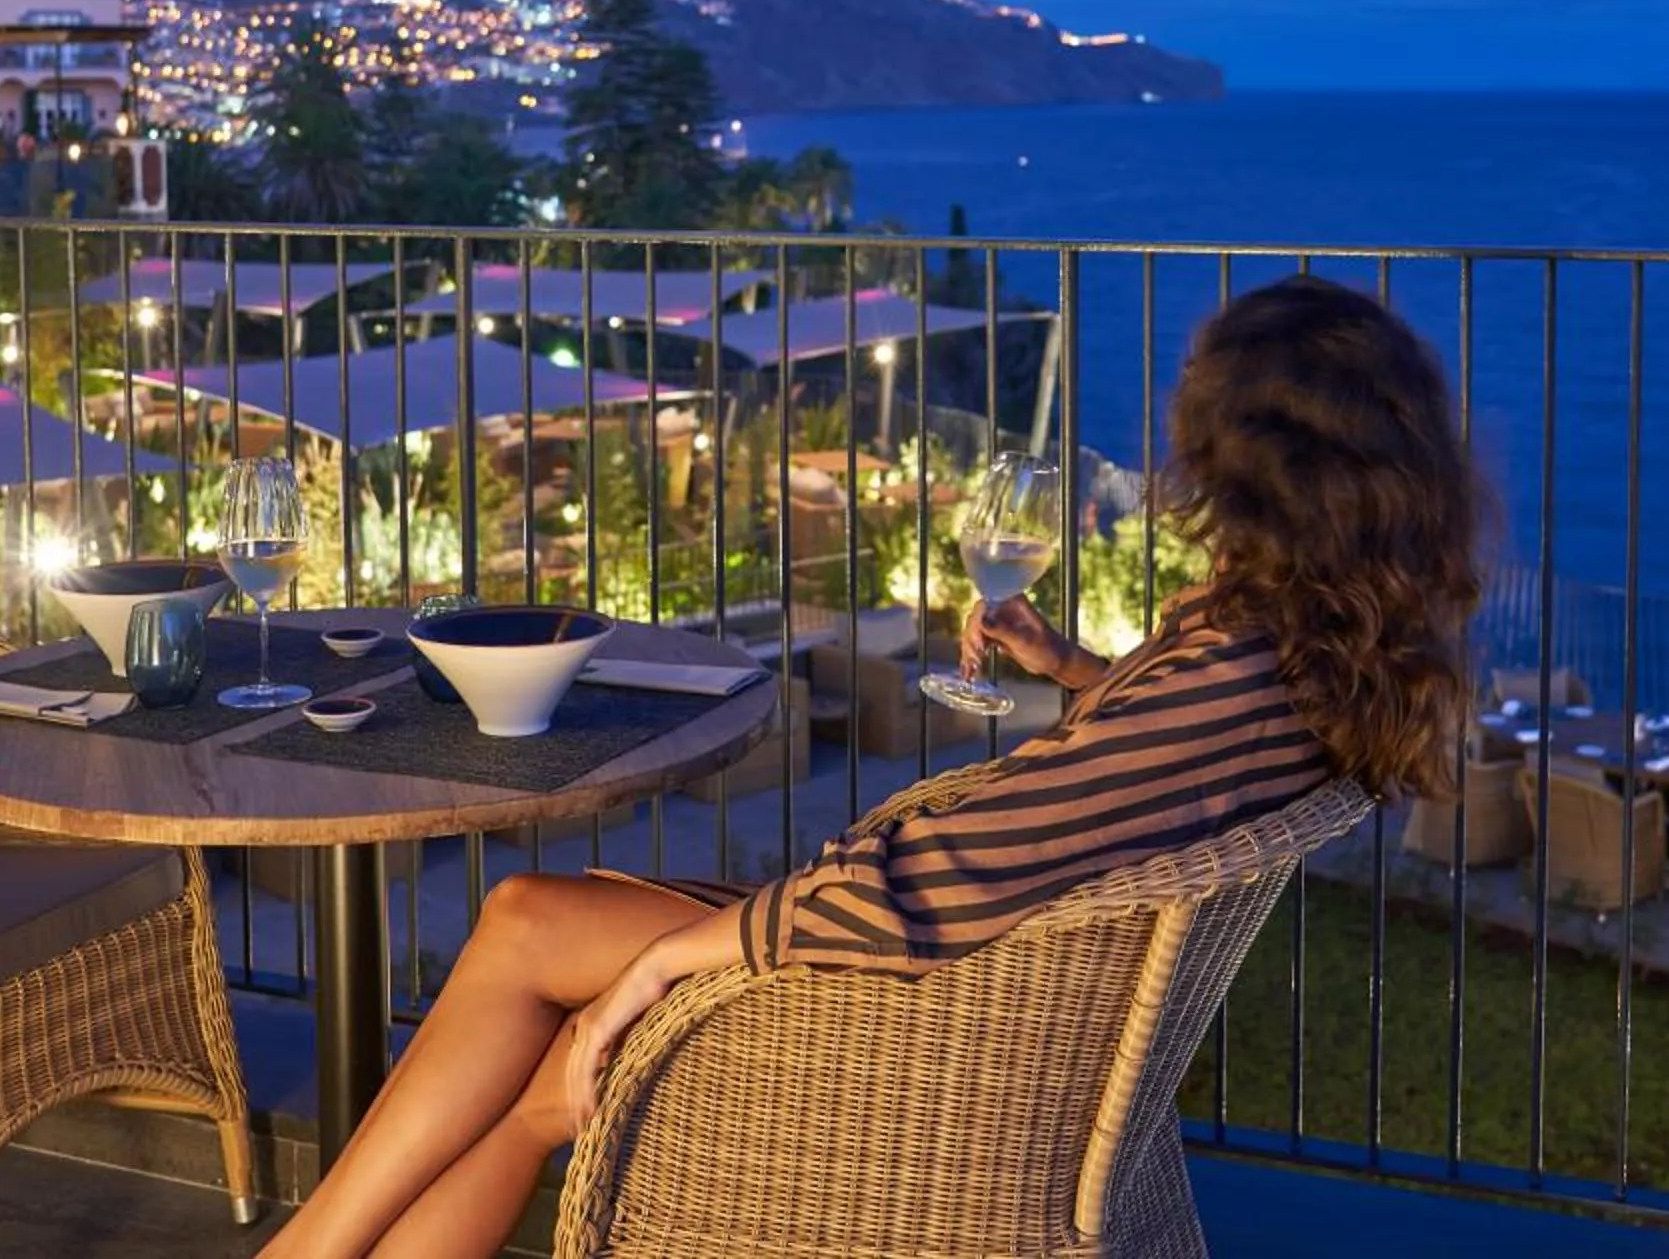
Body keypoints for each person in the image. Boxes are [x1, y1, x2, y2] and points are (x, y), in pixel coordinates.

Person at [261, 275, 1485, 1259]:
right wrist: (1075, 669)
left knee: (527, 921)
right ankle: (421, 1189)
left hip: (915, 1002)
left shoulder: (1234, 660)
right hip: (978, 977)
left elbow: (947, 870)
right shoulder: (1319, 644)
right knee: (540, 1015)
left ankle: (317, 1244)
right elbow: (1165, 774)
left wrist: (675, 961)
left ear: (1243, 458)